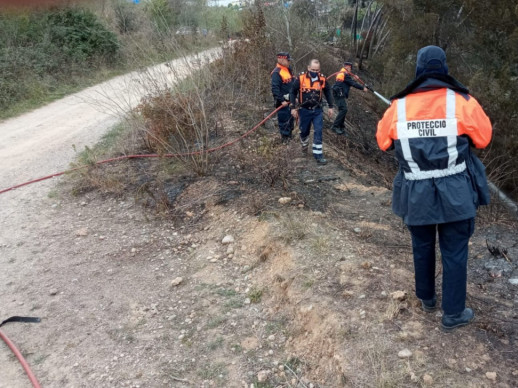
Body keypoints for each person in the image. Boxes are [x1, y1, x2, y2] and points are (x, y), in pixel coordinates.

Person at [376, 45, 492, 331]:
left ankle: (427, 298)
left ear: (418, 68)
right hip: (457, 192)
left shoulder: (398, 107)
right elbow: (484, 138)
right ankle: (453, 313)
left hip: (416, 193)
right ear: (444, 67)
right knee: (454, 251)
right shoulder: (463, 101)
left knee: (422, 246)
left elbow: (382, 142)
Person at [290, 59, 334, 165]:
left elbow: (328, 91)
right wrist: (293, 107)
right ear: (308, 68)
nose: (315, 71)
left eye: (317, 70)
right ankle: (304, 145)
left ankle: (318, 155)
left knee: (318, 131)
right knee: (304, 131)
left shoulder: (322, 79)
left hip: (317, 110)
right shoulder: (301, 78)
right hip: (304, 110)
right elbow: (292, 91)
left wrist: (331, 106)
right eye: (313, 69)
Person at [330, 61, 367, 135]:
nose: (351, 70)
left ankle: (341, 127)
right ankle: (335, 126)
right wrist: (363, 88)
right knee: (344, 109)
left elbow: (349, 82)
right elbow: (353, 83)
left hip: (338, 93)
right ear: (348, 67)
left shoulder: (344, 74)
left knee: (343, 109)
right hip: (338, 93)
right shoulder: (344, 74)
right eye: (350, 69)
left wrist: (354, 79)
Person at [271, 52, 295, 143]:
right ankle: (285, 140)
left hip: (290, 101)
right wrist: (281, 100)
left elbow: (292, 83)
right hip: (283, 103)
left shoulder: (288, 69)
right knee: (284, 120)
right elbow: (275, 89)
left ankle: (290, 137)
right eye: (287, 60)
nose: (289, 62)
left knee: (290, 120)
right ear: (281, 59)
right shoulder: (276, 73)